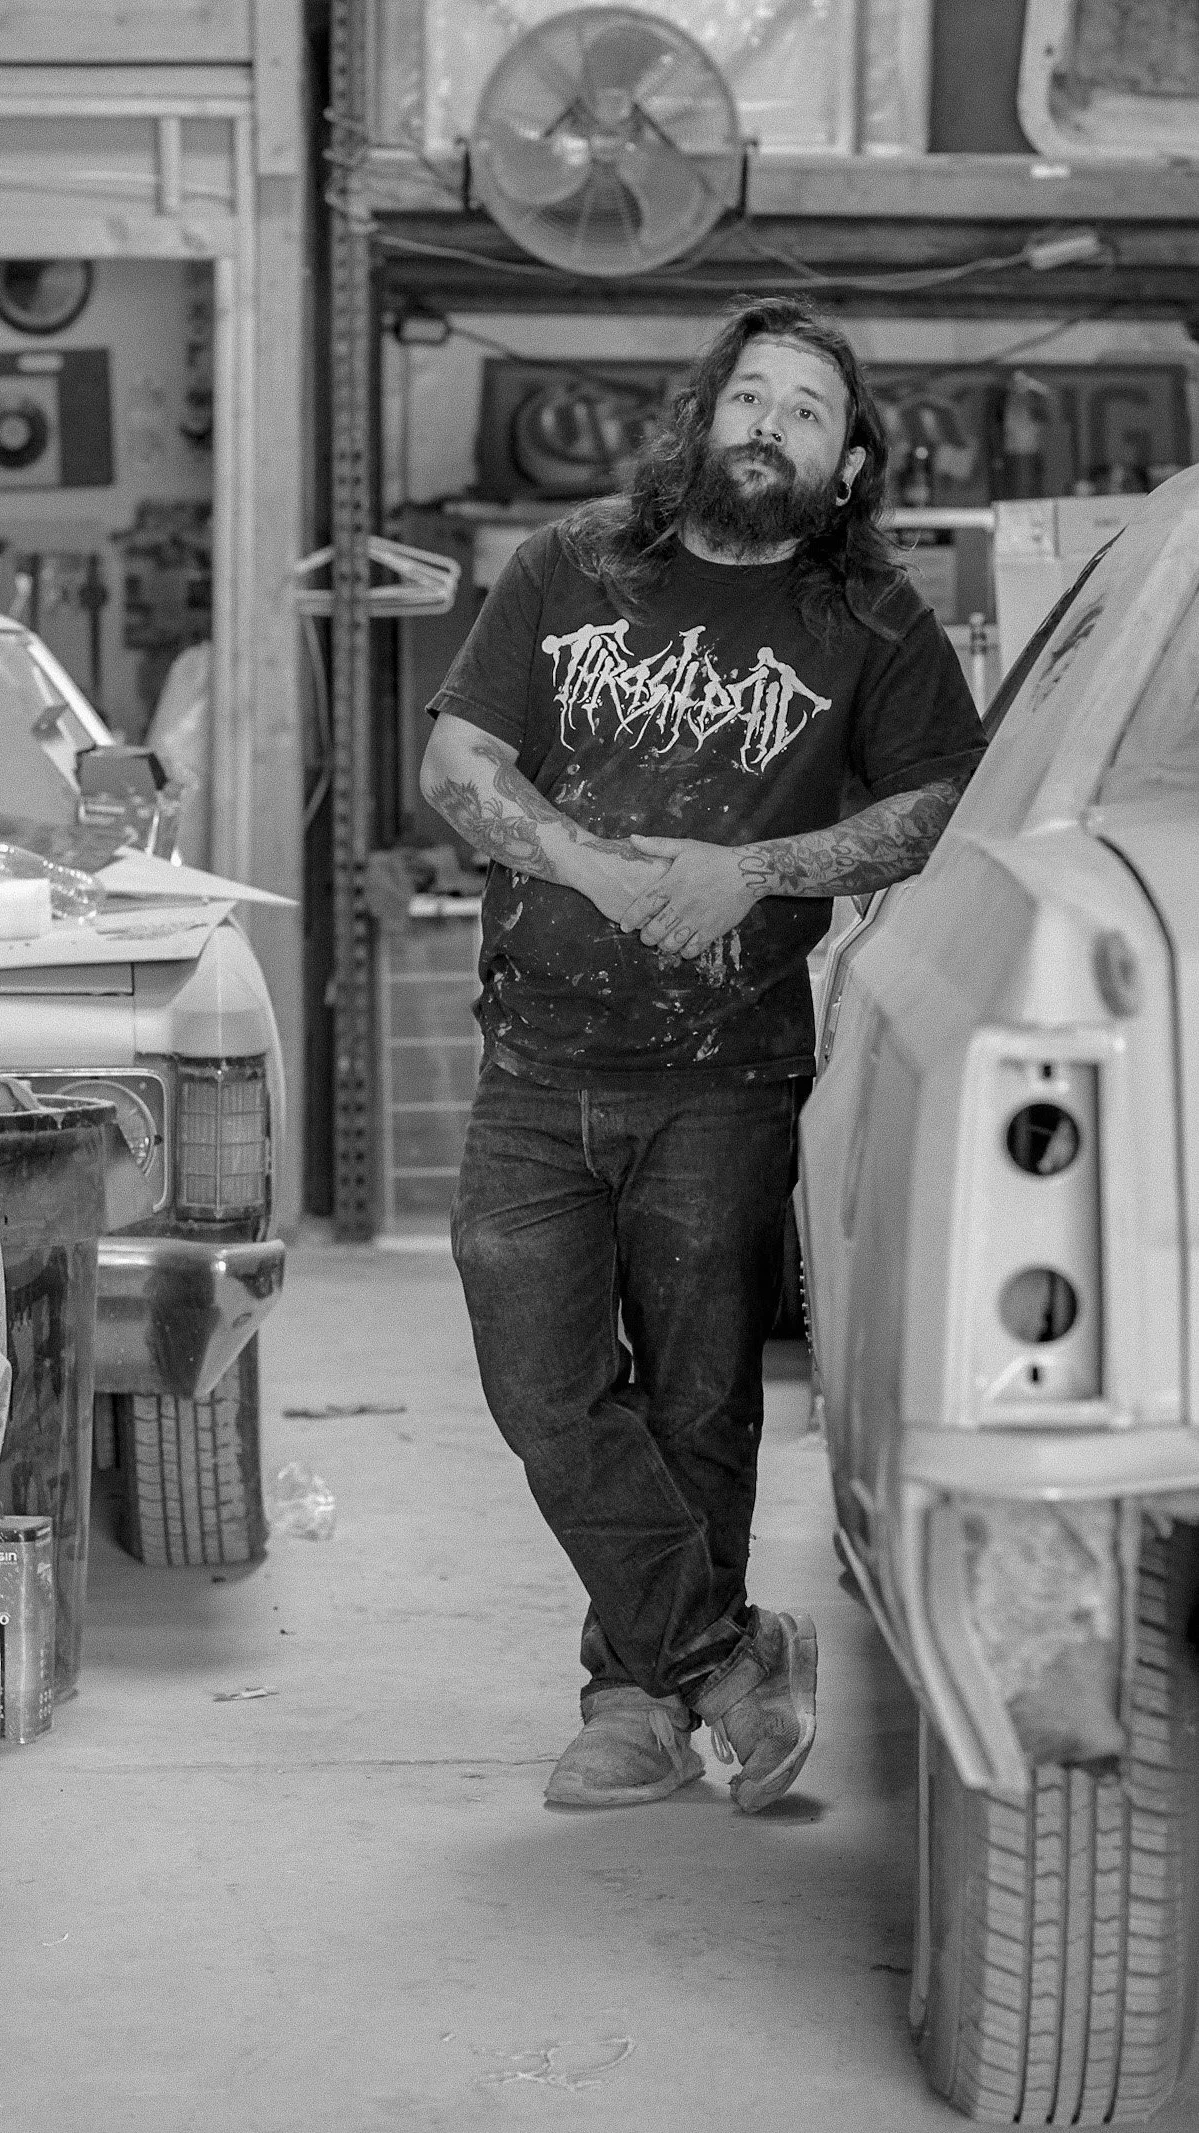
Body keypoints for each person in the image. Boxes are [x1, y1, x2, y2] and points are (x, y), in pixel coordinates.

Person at [420, 297, 985, 1814]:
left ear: (849, 464)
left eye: (807, 410)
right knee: (542, 1390)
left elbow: (940, 804)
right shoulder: (571, 566)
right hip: (536, 1055)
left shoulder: (869, 626)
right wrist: (590, 865)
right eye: (750, 395)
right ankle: (725, 1654)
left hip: (727, 1072)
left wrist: (761, 869)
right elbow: (457, 761)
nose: (769, 424)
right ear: (701, 416)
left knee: (698, 1399)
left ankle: (632, 1706)